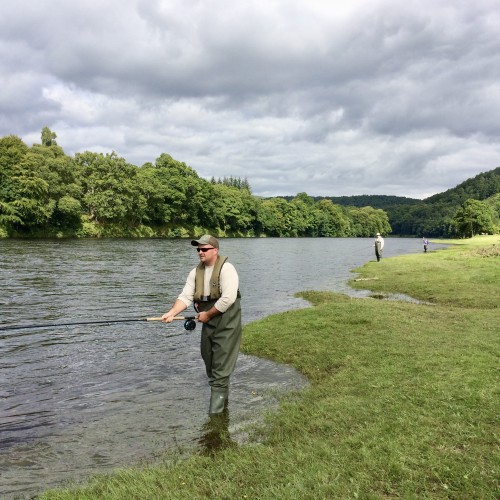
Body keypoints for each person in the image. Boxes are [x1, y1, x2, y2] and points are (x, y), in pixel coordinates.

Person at [161, 235, 242, 416]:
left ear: (215, 250)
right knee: (210, 364)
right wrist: (172, 313)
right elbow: (185, 297)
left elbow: (228, 299)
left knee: (220, 371)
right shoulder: (195, 272)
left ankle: (214, 420)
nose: (200, 252)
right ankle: (223, 405)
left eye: (204, 249)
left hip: (227, 323)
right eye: (198, 249)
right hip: (208, 322)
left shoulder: (227, 269)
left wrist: (207, 314)